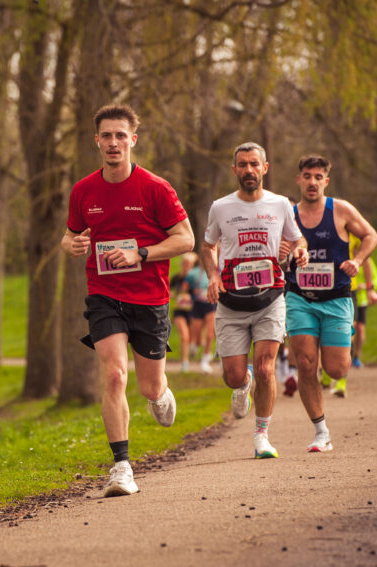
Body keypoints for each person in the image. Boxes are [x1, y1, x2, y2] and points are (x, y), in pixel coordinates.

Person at [62, 104, 194, 497]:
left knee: (149, 387)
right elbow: (69, 236)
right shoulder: (84, 190)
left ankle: (161, 393)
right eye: (107, 136)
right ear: (97, 141)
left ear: (133, 140)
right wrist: (74, 244)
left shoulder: (155, 187)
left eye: (121, 135)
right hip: (104, 294)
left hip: (150, 297)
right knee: (115, 375)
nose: (114, 142)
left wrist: (142, 252)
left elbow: (185, 239)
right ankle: (121, 467)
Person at [201, 142, 308, 459]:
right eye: (242, 164)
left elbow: (297, 236)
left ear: (265, 168)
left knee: (265, 368)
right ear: (234, 170)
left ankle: (262, 435)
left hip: (270, 297)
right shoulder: (221, 207)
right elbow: (208, 247)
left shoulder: (280, 204)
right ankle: (241, 384)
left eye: (254, 164)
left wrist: (300, 249)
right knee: (234, 376)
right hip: (231, 302)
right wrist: (212, 276)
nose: (249, 170)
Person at [285, 155, 377, 451]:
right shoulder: (288, 213)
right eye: (307, 176)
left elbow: (370, 235)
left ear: (326, 181)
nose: (312, 182)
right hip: (299, 298)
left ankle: (337, 345)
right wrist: (284, 255)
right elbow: (275, 249)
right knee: (305, 363)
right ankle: (320, 432)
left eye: (318, 176)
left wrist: (357, 260)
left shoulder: (340, 210)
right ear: (298, 179)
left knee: (337, 370)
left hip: (337, 298)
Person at [326, 233, 377, 397]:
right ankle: (324, 372)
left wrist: (370, 289)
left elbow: (367, 261)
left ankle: (342, 381)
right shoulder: (324, 227)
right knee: (323, 333)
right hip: (324, 287)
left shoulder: (355, 236)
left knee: (348, 334)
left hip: (349, 290)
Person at [187, 254, 218, 374]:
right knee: (197, 334)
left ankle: (205, 360)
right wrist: (191, 291)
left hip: (210, 304)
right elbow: (185, 287)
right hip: (197, 304)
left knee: (210, 333)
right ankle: (194, 345)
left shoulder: (215, 273)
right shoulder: (192, 273)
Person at [170, 253, 199, 372]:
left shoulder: (196, 278)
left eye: (189, 264)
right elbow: (167, 289)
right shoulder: (176, 278)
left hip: (193, 311)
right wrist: (171, 294)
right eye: (185, 263)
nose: (187, 266)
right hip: (179, 310)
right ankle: (185, 362)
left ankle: (194, 347)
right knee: (184, 336)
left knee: (193, 338)